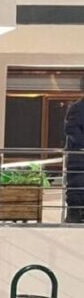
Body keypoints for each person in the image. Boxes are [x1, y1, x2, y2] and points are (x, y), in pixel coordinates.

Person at [65, 95, 84, 224]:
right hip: (79, 159)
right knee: (77, 189)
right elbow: (71, 129)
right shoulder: (77, 107)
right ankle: (74, 215)